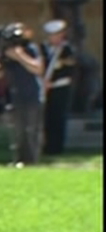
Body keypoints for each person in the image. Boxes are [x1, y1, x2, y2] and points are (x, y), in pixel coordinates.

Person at [0, 24, 45, 166]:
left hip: (33, 94)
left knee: (31, 129)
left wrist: (20, 56)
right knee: (18, 130)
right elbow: (3, 74)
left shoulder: (30, 49)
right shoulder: (7, 53)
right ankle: (19, 159)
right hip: (17, 95)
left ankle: (32, 161)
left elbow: (38, 69)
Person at [40, 19, 77, 155]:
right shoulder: (42, 48)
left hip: (60, 87)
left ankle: (56, 147)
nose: (54, 38)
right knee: (46, 117)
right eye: (51, 35)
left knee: (58, 117)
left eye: (57, 34)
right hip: (44, 87)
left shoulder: (67, 50)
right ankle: (46, 145)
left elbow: (69, 69)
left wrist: (53, 82)